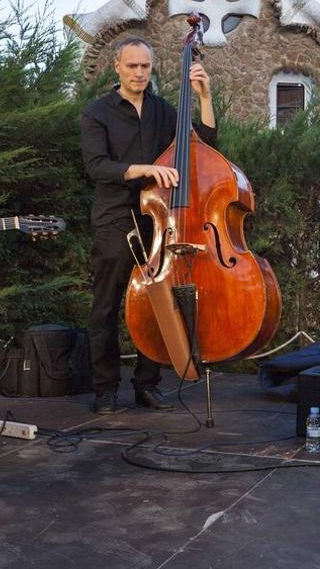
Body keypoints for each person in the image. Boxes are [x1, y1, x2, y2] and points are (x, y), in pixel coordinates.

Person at [80, 36, 215, 414]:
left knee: (158, 302)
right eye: (132, 66)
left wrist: (204, 97)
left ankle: (147, 383)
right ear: (117, 67)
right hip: (115, 217)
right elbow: (96, 167)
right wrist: (145, 169)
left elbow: (205, 145)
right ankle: (105, 388)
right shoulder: (97, 112)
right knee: (106, 306)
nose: (139, 73)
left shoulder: (164, 110)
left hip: (158, 217)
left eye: (145, 66)